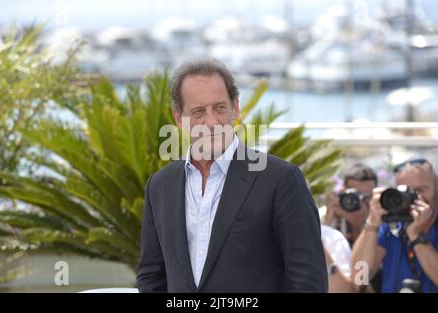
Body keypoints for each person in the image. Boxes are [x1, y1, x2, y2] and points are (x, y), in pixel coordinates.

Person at [136, 58, 327, 292]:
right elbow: (152, 276)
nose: (212, 122)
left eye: (219, 108)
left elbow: (308, 281)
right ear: (179, 119)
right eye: (198, 112)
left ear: (235, 108)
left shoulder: (281, 179)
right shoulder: (160, 186)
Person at [351, 157, 438, 293]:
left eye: (421, 190)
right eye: (406, 192)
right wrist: (372, 222)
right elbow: (359, 280)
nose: (415, 198)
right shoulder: (391, 228)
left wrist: (416, 237)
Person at [322, 163, 377, 246]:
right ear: (343, 191)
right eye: (356, 195)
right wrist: (328, 220)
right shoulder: (326, 213)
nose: (360, 201)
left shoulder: (380, 220)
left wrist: (363, 225)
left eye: (367, 196)